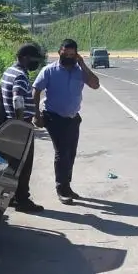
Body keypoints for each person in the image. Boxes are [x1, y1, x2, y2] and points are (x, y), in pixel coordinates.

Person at [33, 39, 100, 205]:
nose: (68, 57)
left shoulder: (80, 71)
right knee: (62, 152)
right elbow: (36, 91)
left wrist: (83, 65)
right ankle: (61, 189)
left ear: (76, 55)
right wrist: (37, 115)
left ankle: (67, 186)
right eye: (65, 53)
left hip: (73, 118)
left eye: (72, 54)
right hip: (53, 116)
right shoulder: (49, 71)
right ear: (59, 52)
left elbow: (95, 85)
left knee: (70, 153)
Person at [0, 43, 46, 213]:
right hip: (20, 124)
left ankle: (12, 196)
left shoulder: (9, 71)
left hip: (9, 124)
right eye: (34, 60)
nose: (36, 63)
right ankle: (22, 200)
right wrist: (21, 124)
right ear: (25, 58)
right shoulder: (20, 76)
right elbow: (17, 99)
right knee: (24, 165)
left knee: (13, 164)